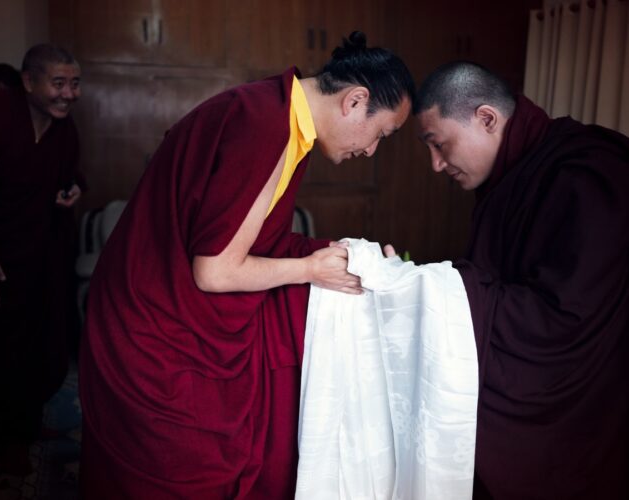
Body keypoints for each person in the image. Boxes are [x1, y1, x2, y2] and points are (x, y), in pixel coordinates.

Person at [78, 31, 415, 499]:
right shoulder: (265, 125)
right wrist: (311, 269)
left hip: (151, 305)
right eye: (381, 134)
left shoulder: (283, 117)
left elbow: (257, 239)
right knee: (183, 471)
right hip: (152, 327)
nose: (371, 150)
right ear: (355, 101)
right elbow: (214, 270)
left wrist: (341, 252)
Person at [411, 61, 629, 499]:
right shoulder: (518, 173)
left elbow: (566, 317)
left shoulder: (588, 171)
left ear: (487, 119)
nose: (436, 165)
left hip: (590, 404)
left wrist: (437, 287)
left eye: (440, 145)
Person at [0, 44, 84, 474]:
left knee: (48, 346)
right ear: (28, 82)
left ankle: (26, 427)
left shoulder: (62, 128)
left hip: (43, 254)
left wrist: (72, 195)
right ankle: (0, 441)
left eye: (74, 84)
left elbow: (70, 179)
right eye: (58, 83)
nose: (68, 94)